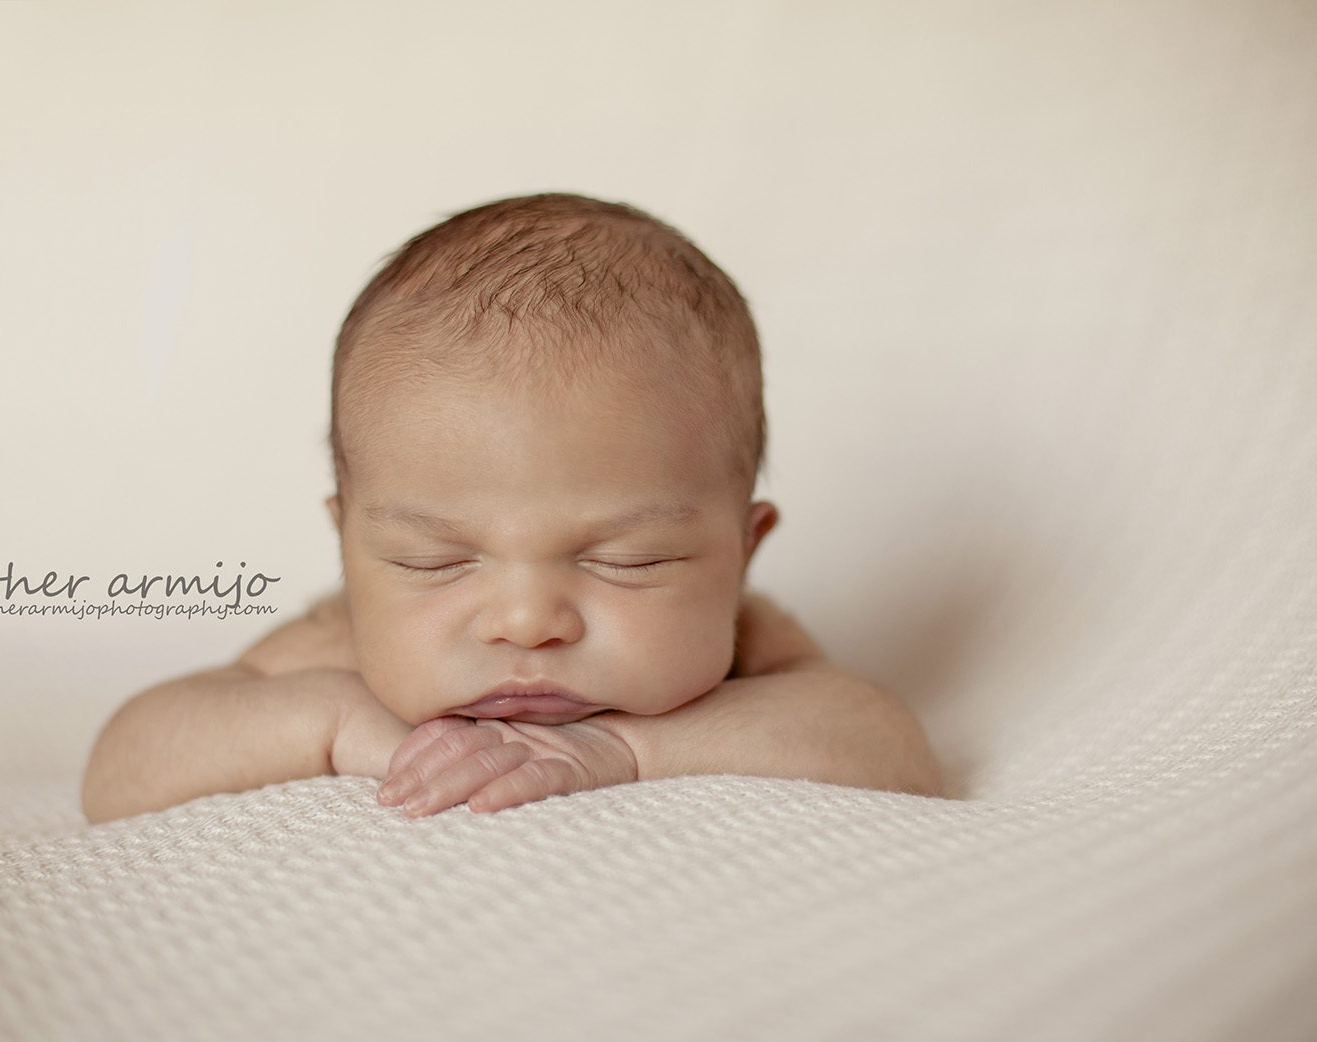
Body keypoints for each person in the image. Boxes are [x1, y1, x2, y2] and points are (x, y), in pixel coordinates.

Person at [81, 192, 942, 824]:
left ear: (742, 552)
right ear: (349, 547)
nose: (528, 622)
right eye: (435, 563)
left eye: (629, 560)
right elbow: (121, 769)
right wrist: (334, 719)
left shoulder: (750, 643)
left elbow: (889, 749)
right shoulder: (337, 649)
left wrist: (626, 749)